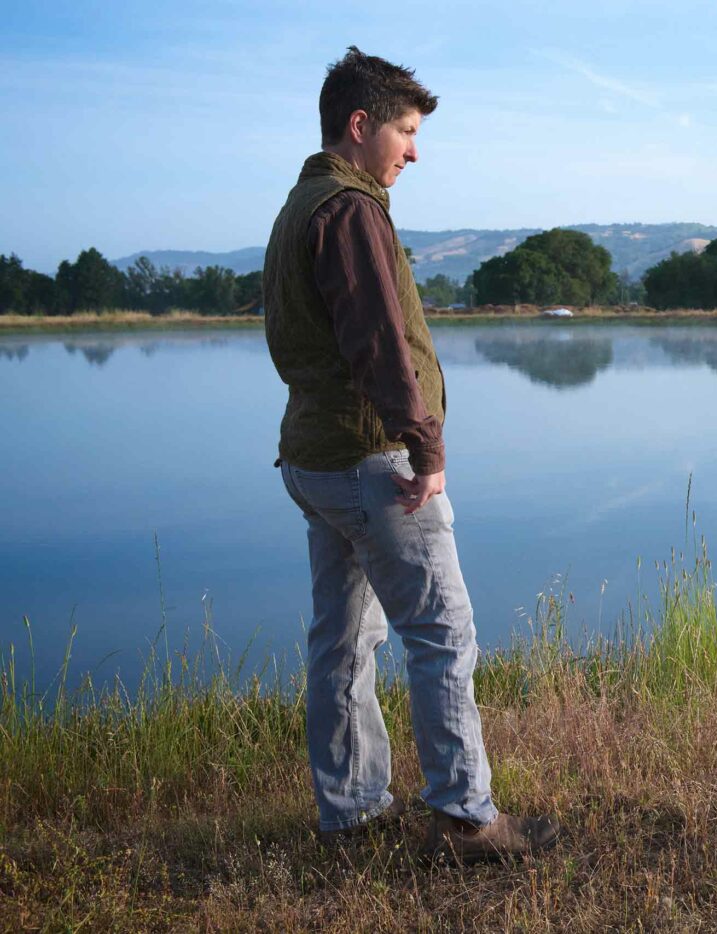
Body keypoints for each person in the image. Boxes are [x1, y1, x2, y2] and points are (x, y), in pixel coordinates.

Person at [263, 46, 558, 862]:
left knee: (343, 641)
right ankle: (467, 820)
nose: (415, 151)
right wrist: (425, 448)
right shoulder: (351, 209)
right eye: (405, 130)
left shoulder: (300, 203)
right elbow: (381, 345)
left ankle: (350, 811)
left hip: (313, 462)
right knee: (441, 636)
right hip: (370, 463)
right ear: (360, 127)